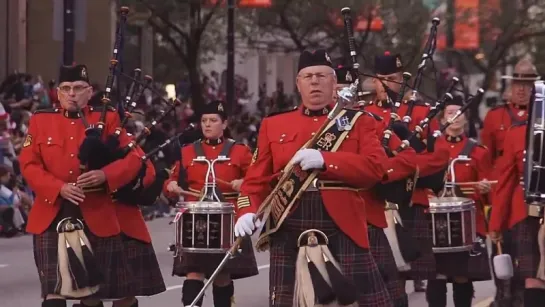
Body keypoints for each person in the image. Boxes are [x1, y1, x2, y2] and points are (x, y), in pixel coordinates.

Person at [234, 49, 393, 307]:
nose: (315, 82)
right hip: (288, 222)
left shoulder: (358, 122)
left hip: (343, 222)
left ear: (334, 84)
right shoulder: (273, 124)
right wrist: (246, 210)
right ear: (298, 83)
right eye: (308, 76)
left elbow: (377, 169)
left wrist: (326, 160)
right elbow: (255, 180)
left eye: (321, 76)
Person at [19, 64, 165, 307]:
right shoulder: (41, 120)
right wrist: (58, 187)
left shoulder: (106, 118)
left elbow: (133, 158)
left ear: (89, 91)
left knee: (91, 294)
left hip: (95, 214)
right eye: (65, 88)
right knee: (54, 292)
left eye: (78, 88)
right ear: (57, 92)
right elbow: (29, 165)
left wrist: (105, 175)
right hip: (52, 213)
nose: (71, 94)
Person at [163, 100, 259, 307]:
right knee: (193, 273)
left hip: (227, 219)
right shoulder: (188, 151)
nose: (207, 124)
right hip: (194, 220)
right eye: (204, 120)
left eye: (213, 120)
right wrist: (170, 185)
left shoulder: (240, 151)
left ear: (224, 124)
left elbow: (257, 181)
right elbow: (172, 181)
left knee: (222, 275)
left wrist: (244, 182)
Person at [368, 52, 450, 293]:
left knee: (400, 279)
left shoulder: (422, 113)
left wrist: (401, 170)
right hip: (371, 203)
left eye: (392, 78)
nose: (386, 83)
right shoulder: (362, 114)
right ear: (374, 80)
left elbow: (440, 157)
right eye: (381, 78)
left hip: (409, 201)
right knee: (375, 280)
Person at [335, 64, 416, 307]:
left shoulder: (373, 122)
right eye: (338, 90)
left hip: (368, 217)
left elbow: (408, 158)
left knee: (386, 295)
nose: (342, 97)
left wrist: (377, 174)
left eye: (346, 91)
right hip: (326, 223)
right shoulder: (313, 127)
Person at [426, 96, 493, 307]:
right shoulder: (430, 148)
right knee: (436, 275)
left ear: (466, 118)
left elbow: (488, 191)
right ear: (441, 119)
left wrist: (484, 188)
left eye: (459, 112)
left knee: (462, 276)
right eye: (450, 113)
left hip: (465, 223)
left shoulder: (477, 151)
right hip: (435, 221)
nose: (455, 117)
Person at [488, 88, 540, 307]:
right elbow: (505, 182)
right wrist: (496, 223)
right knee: (532, 277)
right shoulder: (517, 133)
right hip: (526, 214)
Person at [480, 59, 538, 169]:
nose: (521, 89)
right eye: (517, 84)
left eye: (527, 85)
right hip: (502, 178)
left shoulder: (541, 114)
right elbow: (486, 156)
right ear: (512, 85)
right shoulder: (495, 116)